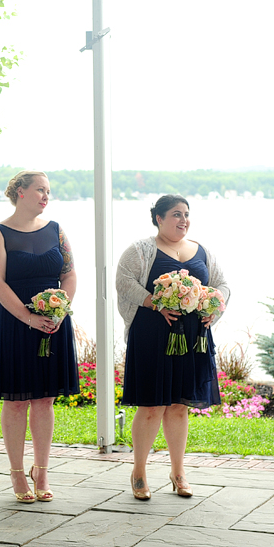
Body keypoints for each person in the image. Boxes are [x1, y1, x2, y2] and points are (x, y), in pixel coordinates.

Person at [115, 194, 230, 500]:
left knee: (179, 406)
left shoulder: (202, 251)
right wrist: (156, 302)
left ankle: (178, 472)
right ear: (159, 219)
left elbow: (223, 285)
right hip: (153, 337)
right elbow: (124, 282)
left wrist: (213, 309)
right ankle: (138, 471)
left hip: (193, 339)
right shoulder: (140, 250)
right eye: (176, 214)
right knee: (152, 406)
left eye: (186, 214)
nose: (183, 220)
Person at [0, 170, 79, 503]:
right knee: (16, 400)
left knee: (44, 399)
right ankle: (17, 472)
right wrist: (28, 317)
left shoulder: (57, 231)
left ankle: (42, 469)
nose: (46, 196)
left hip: (53, 322)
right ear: (20, 192)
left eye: (48, 191)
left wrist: (60, 311)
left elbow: (69, 273)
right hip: (15, 323)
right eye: (40, 189)